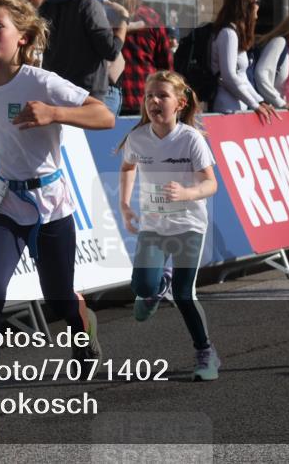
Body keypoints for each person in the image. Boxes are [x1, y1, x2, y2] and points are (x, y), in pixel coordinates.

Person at [0, 0, 114, 439]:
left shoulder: (42, 82)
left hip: (50, 205)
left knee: (58, 297)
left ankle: (82, 324)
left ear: (22, 37)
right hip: (5, 202)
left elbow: (104, 115)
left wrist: (55, 113)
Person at [118, 70, 220, 380]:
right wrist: (125, 205)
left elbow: (211, 183)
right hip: (154, 225)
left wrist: (187, 193)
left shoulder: (190, 139)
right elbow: (127, 166)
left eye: (162, 96)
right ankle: (157, 286)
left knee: (184, 294)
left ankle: (205, 353)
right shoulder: (138, 138)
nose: (154, 101)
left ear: (180, 103)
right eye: (149, 96)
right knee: (141, 287)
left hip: (189, 224)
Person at [40, 0, 127, 108]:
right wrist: (124, 20)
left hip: (54, 90)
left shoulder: (47, 4)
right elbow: (111, 51)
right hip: (86, 95)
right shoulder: (89, 3)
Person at [209, 0, 279, 124]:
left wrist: (259, 101)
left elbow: (242, 77)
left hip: (237, 107)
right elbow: (228, 76)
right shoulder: (228, 34)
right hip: (226, 108)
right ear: (246, 5)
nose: (258, 6)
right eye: (256, 2)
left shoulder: (235, 33)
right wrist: (255, 105)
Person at [113, 0, 173, 116]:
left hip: (112, 98)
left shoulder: (107, 15)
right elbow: (166, 65)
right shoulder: (152, 18)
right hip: (146, 97)